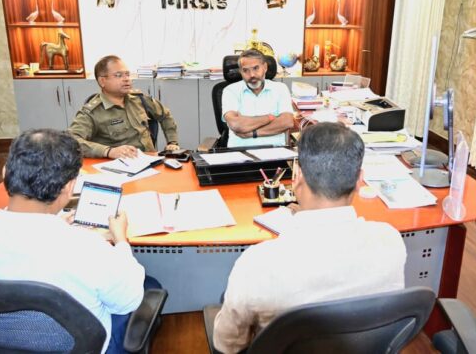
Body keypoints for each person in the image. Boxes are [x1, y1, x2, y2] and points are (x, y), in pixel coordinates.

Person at [0, 129, 151, 353]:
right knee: (149, 285)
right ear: (69, 186)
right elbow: (129, 301)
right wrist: (121, 240)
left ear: (5, 173)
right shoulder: (89, 249)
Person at [212, 122, 407, 353]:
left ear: (296, 176)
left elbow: (227, 346)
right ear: (359, 180)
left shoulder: (257, 264)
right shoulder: (390, 242)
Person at [69, 55, 180, 159]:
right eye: (118, 75)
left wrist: (172, 142)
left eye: (127, 74)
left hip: (150, 160)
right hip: (118, 166)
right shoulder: (92, 112)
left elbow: (165, 115)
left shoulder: (140, 99)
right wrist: (108, 151)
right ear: (102, 81)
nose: (126, 79)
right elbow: (71, 141)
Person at [222, 49, 294, 147]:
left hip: (275, 151)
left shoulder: (280, 88)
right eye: (245, 70)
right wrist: (269, 118)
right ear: (240, 72)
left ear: (265, 67)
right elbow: (235, 124)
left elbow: (287, 122)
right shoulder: (230, 91)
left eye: (256, 68)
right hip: (239, 152)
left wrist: (253, 133)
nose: (252, 75)